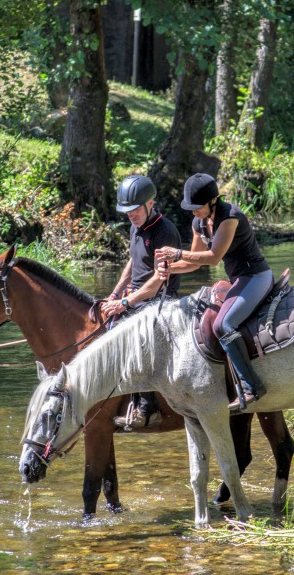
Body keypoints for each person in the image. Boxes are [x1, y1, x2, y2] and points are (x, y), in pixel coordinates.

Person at [155, 173, 273, 411]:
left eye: (196, 207)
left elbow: (213, 257)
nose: (193, 212)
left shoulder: (230, 217)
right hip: (238, 280)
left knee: (224, 325)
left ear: (212, 201)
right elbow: (195, 263)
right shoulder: (198, 223)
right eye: (191, 207)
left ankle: (252, 386)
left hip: (256, 276)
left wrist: (177, 253)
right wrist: (170, 268)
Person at [102, 175, 182, 428]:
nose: (131, 215)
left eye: (136, 210)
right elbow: (132, 263)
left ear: (150, 203)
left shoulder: (164, 231)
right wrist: (115, 294)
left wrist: (125, 303)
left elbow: (159, 280)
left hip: (161, 299)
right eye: (127, 212)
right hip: (136, 297)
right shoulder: (135, 226)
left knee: (134, 337)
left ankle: (147, 408)